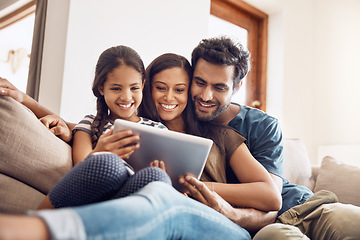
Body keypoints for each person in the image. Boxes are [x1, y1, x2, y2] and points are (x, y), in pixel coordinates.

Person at [188, 35, 360, 239]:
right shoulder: (182, 122)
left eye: (219, 87)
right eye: (200, 82)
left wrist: (199, 187)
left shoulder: (262, 124)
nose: (206, 96)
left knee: (352, 222)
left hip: (308, 208)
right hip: (269, 228)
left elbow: (272, 198)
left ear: (236, 88)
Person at [138, 53, 281, 212]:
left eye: (179, 89)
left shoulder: (221, 136)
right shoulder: (140, 133)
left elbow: (272, 197)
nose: (169, 97)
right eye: (160, 88)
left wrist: (191, 186)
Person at [38, 45, 171, 210]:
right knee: (109, 164)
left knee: (156, 176)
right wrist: (99, 152)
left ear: (143, 85)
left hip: (133, 203)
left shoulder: (158, 130)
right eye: (116, 88)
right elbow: (80, 174)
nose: (126, 97)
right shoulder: (88, 125)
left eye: (134, 88)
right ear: (101, 88)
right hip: (95, 198)